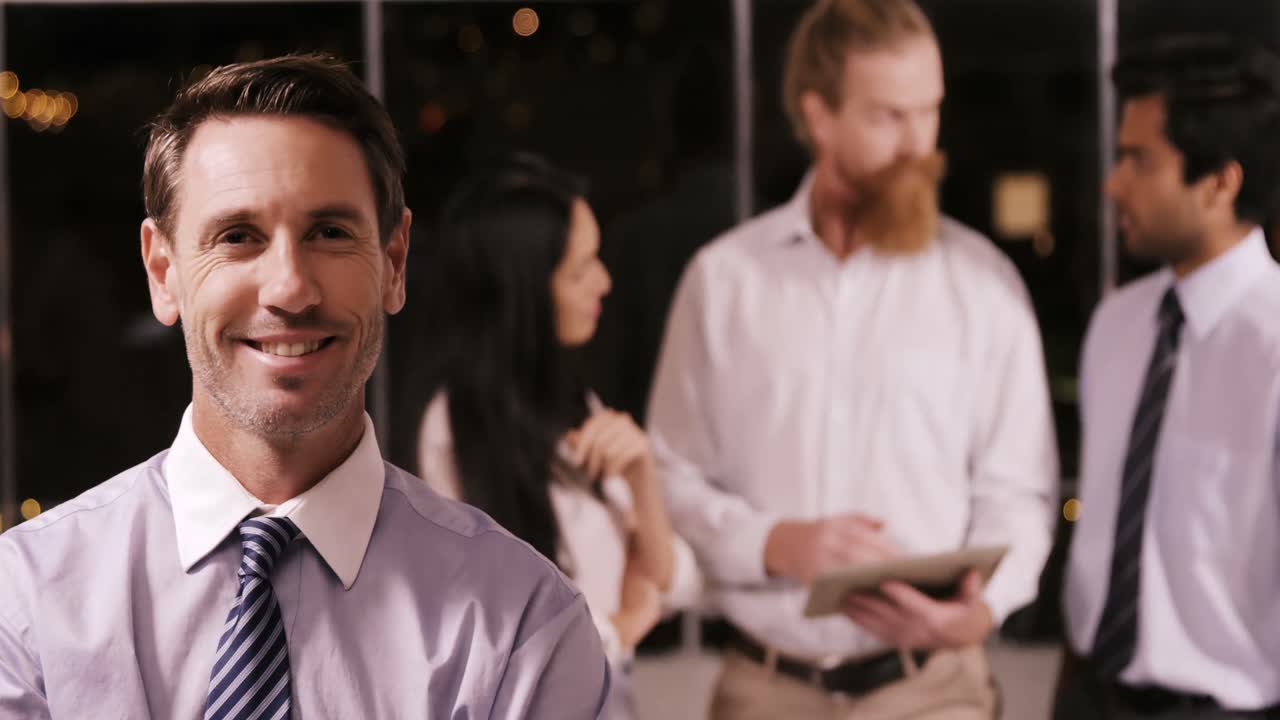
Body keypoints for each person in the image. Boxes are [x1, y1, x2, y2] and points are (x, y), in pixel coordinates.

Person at [0, 56, 609, 719]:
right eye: (238, 237)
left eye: (329, 233)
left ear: (394, 264)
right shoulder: (25, 602)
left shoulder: (522, 625)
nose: (289, 287)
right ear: (163, 271)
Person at [646, 0, 1059, 717]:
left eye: (928, 111)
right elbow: (669, 477)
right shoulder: (724, 282)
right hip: (764, 691)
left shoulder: (984, 284)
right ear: (819, 116)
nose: (919, 143)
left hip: (935, 690)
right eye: (887, 116)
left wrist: (980, 611)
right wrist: (776, 542)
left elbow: (1018, 494)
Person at [416, 154, 700, 720]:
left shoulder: (572, 404)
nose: (606, 281)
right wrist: (622, 627)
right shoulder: (456, 431)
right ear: (524, 290)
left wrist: (642, 475)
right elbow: (501, 649)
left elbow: (675, 579)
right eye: (581, 268)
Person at [1056, 36, 1280, 720]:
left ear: (1221, 182)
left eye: (1139, 159)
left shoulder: (1274, 346)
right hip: (1090, 693)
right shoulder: (1116, 327)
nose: (1113, 182)